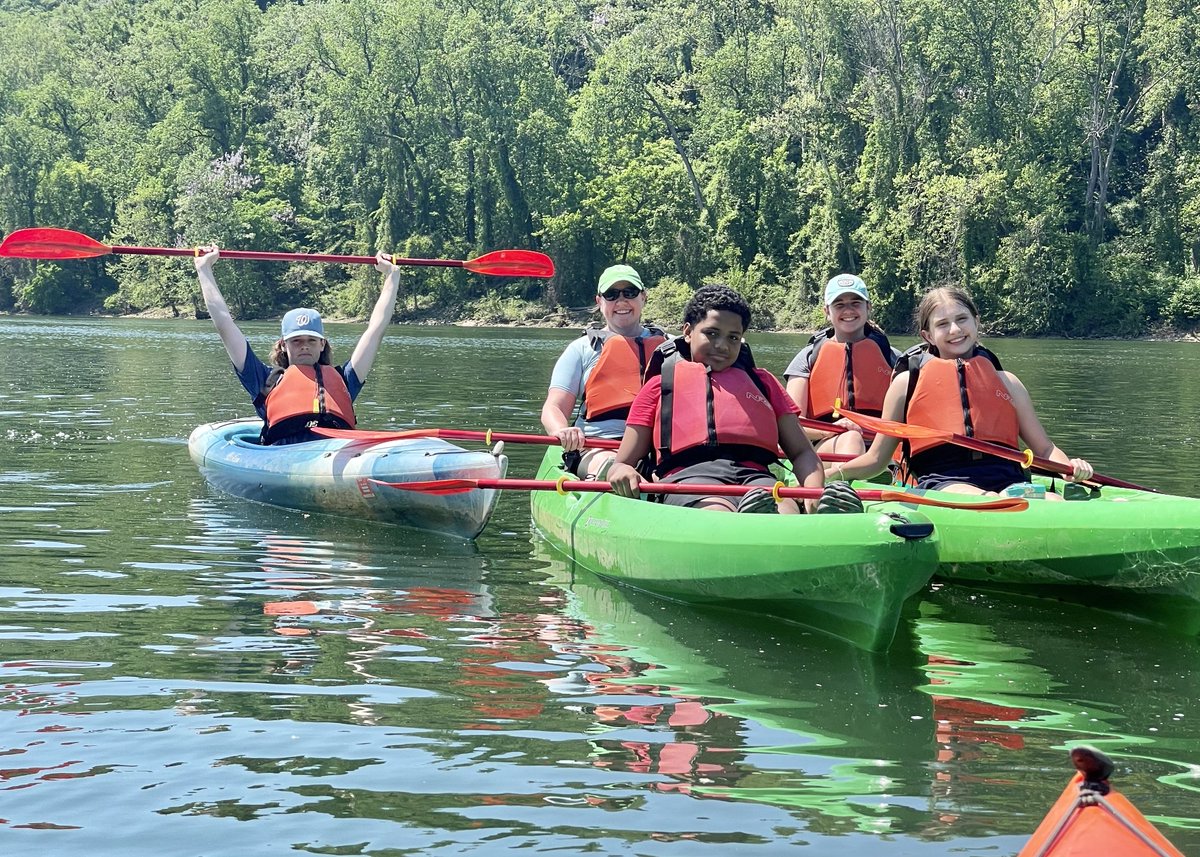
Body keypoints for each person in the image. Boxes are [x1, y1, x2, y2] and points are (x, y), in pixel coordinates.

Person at [606, 285, 861, 514]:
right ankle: (755, 524)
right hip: (689, 479)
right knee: (717, 510)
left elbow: (803, 452)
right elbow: (623, 463)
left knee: (784, 507)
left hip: (758, 479)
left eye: (733, 337)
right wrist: (624, 472)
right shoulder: (659, 386)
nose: (722, 345)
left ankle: (813, 514)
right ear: (687, 332)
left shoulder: (764, 383)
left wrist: (813, 495)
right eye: (712, 333)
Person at [832, 286, 1094, 497]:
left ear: (976, 321)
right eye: (943, 324)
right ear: (928, 336)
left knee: (1052, 501)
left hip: (1009, 478)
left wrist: (1069, 468)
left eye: (961, 319)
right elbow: (877, 459)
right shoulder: (905, 384)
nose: (955, 330)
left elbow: (1045, 449)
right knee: (988, 501)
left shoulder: (1009, 383)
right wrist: (833, 474)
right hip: (944, 481)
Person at [194, 246, 401, 445]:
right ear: (283, 345)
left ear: (322, 344)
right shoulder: (264, 379)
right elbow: (224, 325)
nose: (305, 346)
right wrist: (204, 269)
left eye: (311, 340)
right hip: (284, 456)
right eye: (297, 341)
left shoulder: (345, 379)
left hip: (335, 452)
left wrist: (392, 276)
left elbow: (375, 330)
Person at [539, 264, 667, 478]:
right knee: (608, 463)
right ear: (599, 302)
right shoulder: (581, 349)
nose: (621, 301)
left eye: (630, 292)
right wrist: (561, 430)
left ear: (643, 297)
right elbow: (553, 407)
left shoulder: (671, 347)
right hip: (598, 447)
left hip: (659, 449)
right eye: (611, 294)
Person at [784, 273, 900, 458]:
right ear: (827, 311)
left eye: (856, 303)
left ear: (868, 307)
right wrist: (832, 430)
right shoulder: (806, 358)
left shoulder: (895, 359)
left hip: (881, 449)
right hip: (826, 444)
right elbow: (791, 424)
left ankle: (864, 474)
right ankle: (843, 483)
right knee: (851, 438)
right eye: (839, 304)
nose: (848, 310)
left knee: (856, 439)